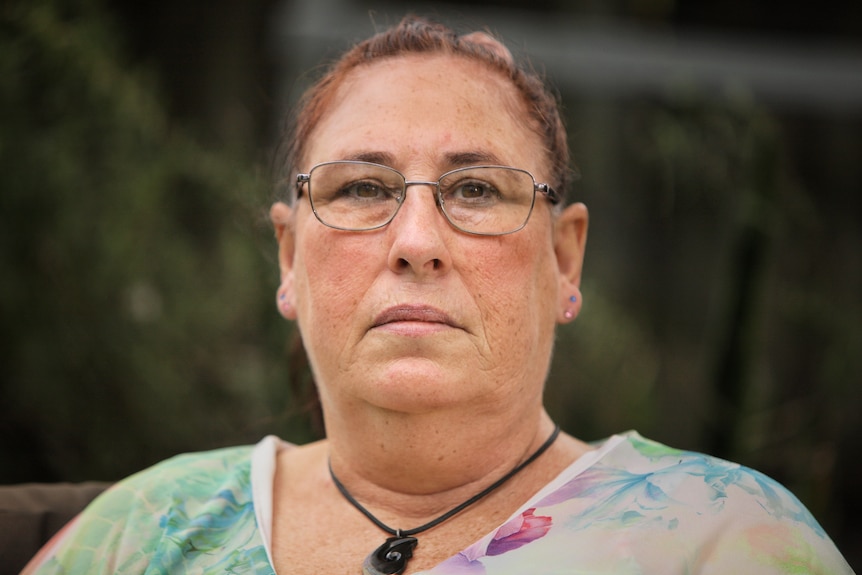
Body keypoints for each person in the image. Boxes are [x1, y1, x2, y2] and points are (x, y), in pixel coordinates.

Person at [22, 15, 853, 575]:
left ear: (565, 261)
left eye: (478, 191)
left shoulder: (724, 540)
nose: (416, 242)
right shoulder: (140, 534)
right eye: (360, 189)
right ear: (287, 256)